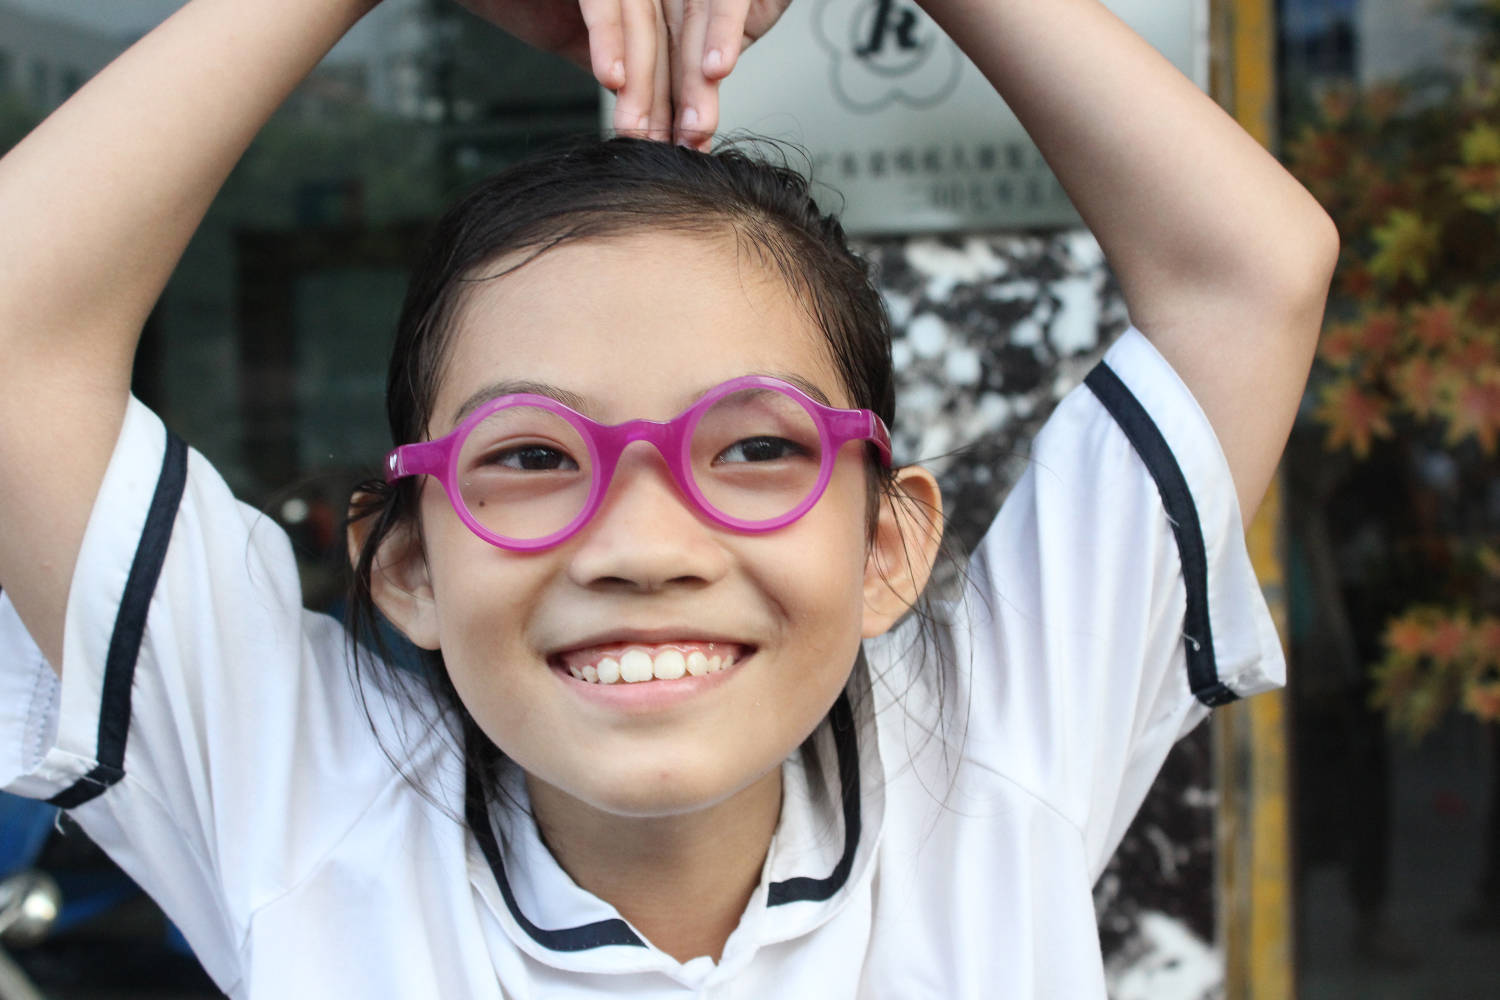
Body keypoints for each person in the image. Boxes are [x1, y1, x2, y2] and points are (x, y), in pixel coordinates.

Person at [0, 0, 1337, 995]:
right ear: (405, 564)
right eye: (529, 457)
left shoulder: (994, 755)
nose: (643, 544)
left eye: (755, 448)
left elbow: (1257, 269)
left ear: (888, 544)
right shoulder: (295, 793)